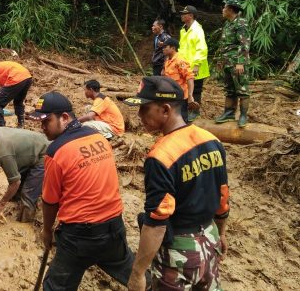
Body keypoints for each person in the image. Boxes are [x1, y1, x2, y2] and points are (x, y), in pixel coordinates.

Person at [124, 76, 229, 291]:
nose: (139, 115)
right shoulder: (210, 140)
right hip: (210, 241)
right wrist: (221, 234)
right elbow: (222, 196)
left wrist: (137, 273)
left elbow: (156, 223)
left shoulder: (161, 156)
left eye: (145, 108)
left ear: (165, 110)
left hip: (180, 255)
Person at [29, 91, 136, 290]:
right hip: (114, 226)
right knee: (134, 275)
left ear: (65, 117)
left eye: (47, 121)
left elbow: (50, 201)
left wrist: (46, 231)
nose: (42, 127)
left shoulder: (56, 152)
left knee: (56, 286)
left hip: (80, 236)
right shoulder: (99, 138)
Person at [215, 0, 251, 128]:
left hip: (237, 62)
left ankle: (243, 115)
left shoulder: (241, 23)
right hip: (227, 62)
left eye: (224, 7)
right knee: (229, 89)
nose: (223, 10)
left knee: (242, 89)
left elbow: (245, 44)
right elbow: (224, 45)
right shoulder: (228, 24)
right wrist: (220, 61)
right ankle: (229, 113)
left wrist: (240, 62)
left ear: (230, 9)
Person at [0, 53, 33, 128]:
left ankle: (2, 127)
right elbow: (6, 91)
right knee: (18, 102)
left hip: (16, 77)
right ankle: (21, 124)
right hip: (27, 77)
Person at [179, 5, 209, 121]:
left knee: (196, 89)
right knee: (186, 88)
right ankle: (186, 110)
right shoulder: (184, 29)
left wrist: (196, 65)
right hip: (185, 66)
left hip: (196, 65)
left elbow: (201, 48)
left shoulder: (197, 30)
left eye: (184, 14)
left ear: (191, 16)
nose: (182, 15)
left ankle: (194, 112)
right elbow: (182, 48)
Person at [161, 38, 195, 123]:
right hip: (170, 95)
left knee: (181, 120)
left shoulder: (180, 61)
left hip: (181, 97)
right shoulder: (168, 60)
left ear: (173, 48)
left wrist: (190, 95)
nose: (163, 49)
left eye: (166, 47)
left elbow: (190, 77)